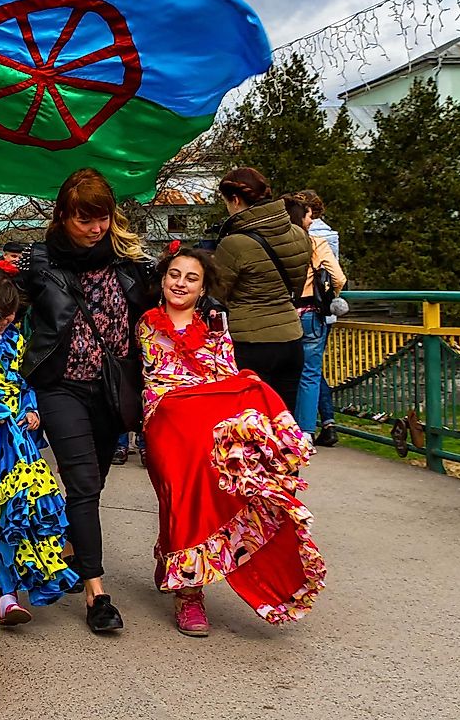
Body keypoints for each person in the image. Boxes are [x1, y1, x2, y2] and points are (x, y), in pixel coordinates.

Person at [138, 243, 325, 636]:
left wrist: (245, 385)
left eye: (191, 278)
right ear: (163, 278)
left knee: (215, 473)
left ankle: (189, 587)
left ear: (203, 288)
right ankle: (185, 583)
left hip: (203, 416)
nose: (180, 283)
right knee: (181, 486)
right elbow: (154, 379)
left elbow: (225, 377)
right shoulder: (145, 323)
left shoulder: (215, 327)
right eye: (174, 275)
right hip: (165, 414)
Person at [16, 167, 154, 634]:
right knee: (81, 481)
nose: (96, 228)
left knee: (94, 477)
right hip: (61, 385)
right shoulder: (39, 262)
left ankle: (73, 548)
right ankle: (97, 593)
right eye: (84, 219)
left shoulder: (127, 260)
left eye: (102, 217)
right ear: (62, 216)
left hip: (114, 387)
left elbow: (154, 312)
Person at [0, 267, 77, 626]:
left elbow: (24, 383)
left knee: (12, 515)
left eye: (9, 316)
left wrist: (31, 409)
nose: (1, 322)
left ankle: (8, 595)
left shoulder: (17, 341)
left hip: (15, 442)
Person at [213, 168, 310, 412]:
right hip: (291, 338)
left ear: (235, 200)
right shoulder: (299, 234)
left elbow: (217, 293)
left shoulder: (235, 244)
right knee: (283, 419)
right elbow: (296, 284)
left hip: (251, 342)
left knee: (251, 422)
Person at [284, 196, 346, 445]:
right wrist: (332, 295)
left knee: (286, 373)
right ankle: (306, 432)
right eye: (309, 216)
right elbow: (338, 277)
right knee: (309, 374)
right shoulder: (315, 243)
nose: (312, 220)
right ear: (301, 218)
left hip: (283, 313)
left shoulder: (275, 245)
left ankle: (282, 427)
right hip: (310, 311)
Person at [298, 189, 342, 438]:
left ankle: (308, 425)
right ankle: (325, 422)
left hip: (296, 306)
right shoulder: (329, 235)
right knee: (312, 369)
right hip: (321, 308)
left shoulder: (304, 236)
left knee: (304, 369)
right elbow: (337, 276)